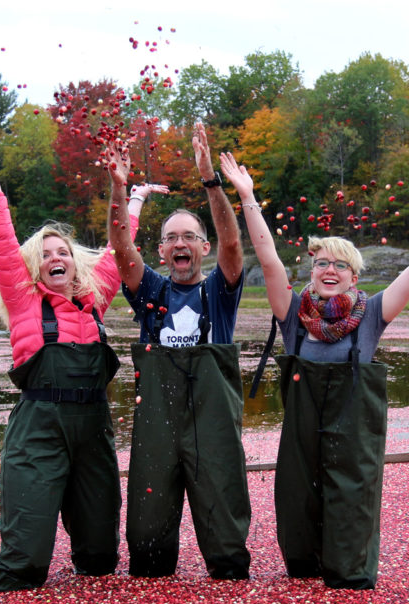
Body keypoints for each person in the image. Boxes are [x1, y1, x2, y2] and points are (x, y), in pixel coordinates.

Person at [220, 150, 409, 589]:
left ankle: (349, 574)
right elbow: (267, 258)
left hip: (353, 438)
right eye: (322, 262)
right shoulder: (291, 315)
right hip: (302, 438)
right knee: (298, 512)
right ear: (312, 270)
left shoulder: (373, 314)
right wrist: (247, 195)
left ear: (353, 278)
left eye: (340, 265)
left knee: (351, 517)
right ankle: (305, 570)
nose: (329, 269)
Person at [0, 135, 134, 592]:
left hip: (93, 430)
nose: (56, 258)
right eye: (46, 255)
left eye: (63, 253)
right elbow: (1, 239)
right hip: (39, 427)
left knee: (99, 559)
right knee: (25, 563)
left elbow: (122, 246)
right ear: (35, 268)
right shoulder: (23, 300)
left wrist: (129, 197)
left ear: (76, 266)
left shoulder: (97, 300)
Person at [104, 124, 251, 580]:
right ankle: (150, 578)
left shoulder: (219, 292)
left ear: (203, 247)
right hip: (158, 422)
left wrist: (210, 178)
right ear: (163, 251)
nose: (180, 243)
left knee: (223, 514)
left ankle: (228, 579)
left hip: (213, 422)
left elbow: (232, 242)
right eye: (171, 237)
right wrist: (119, 188)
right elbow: (120, 248)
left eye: (189, 236)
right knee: (148, 526)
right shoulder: (149, 289)